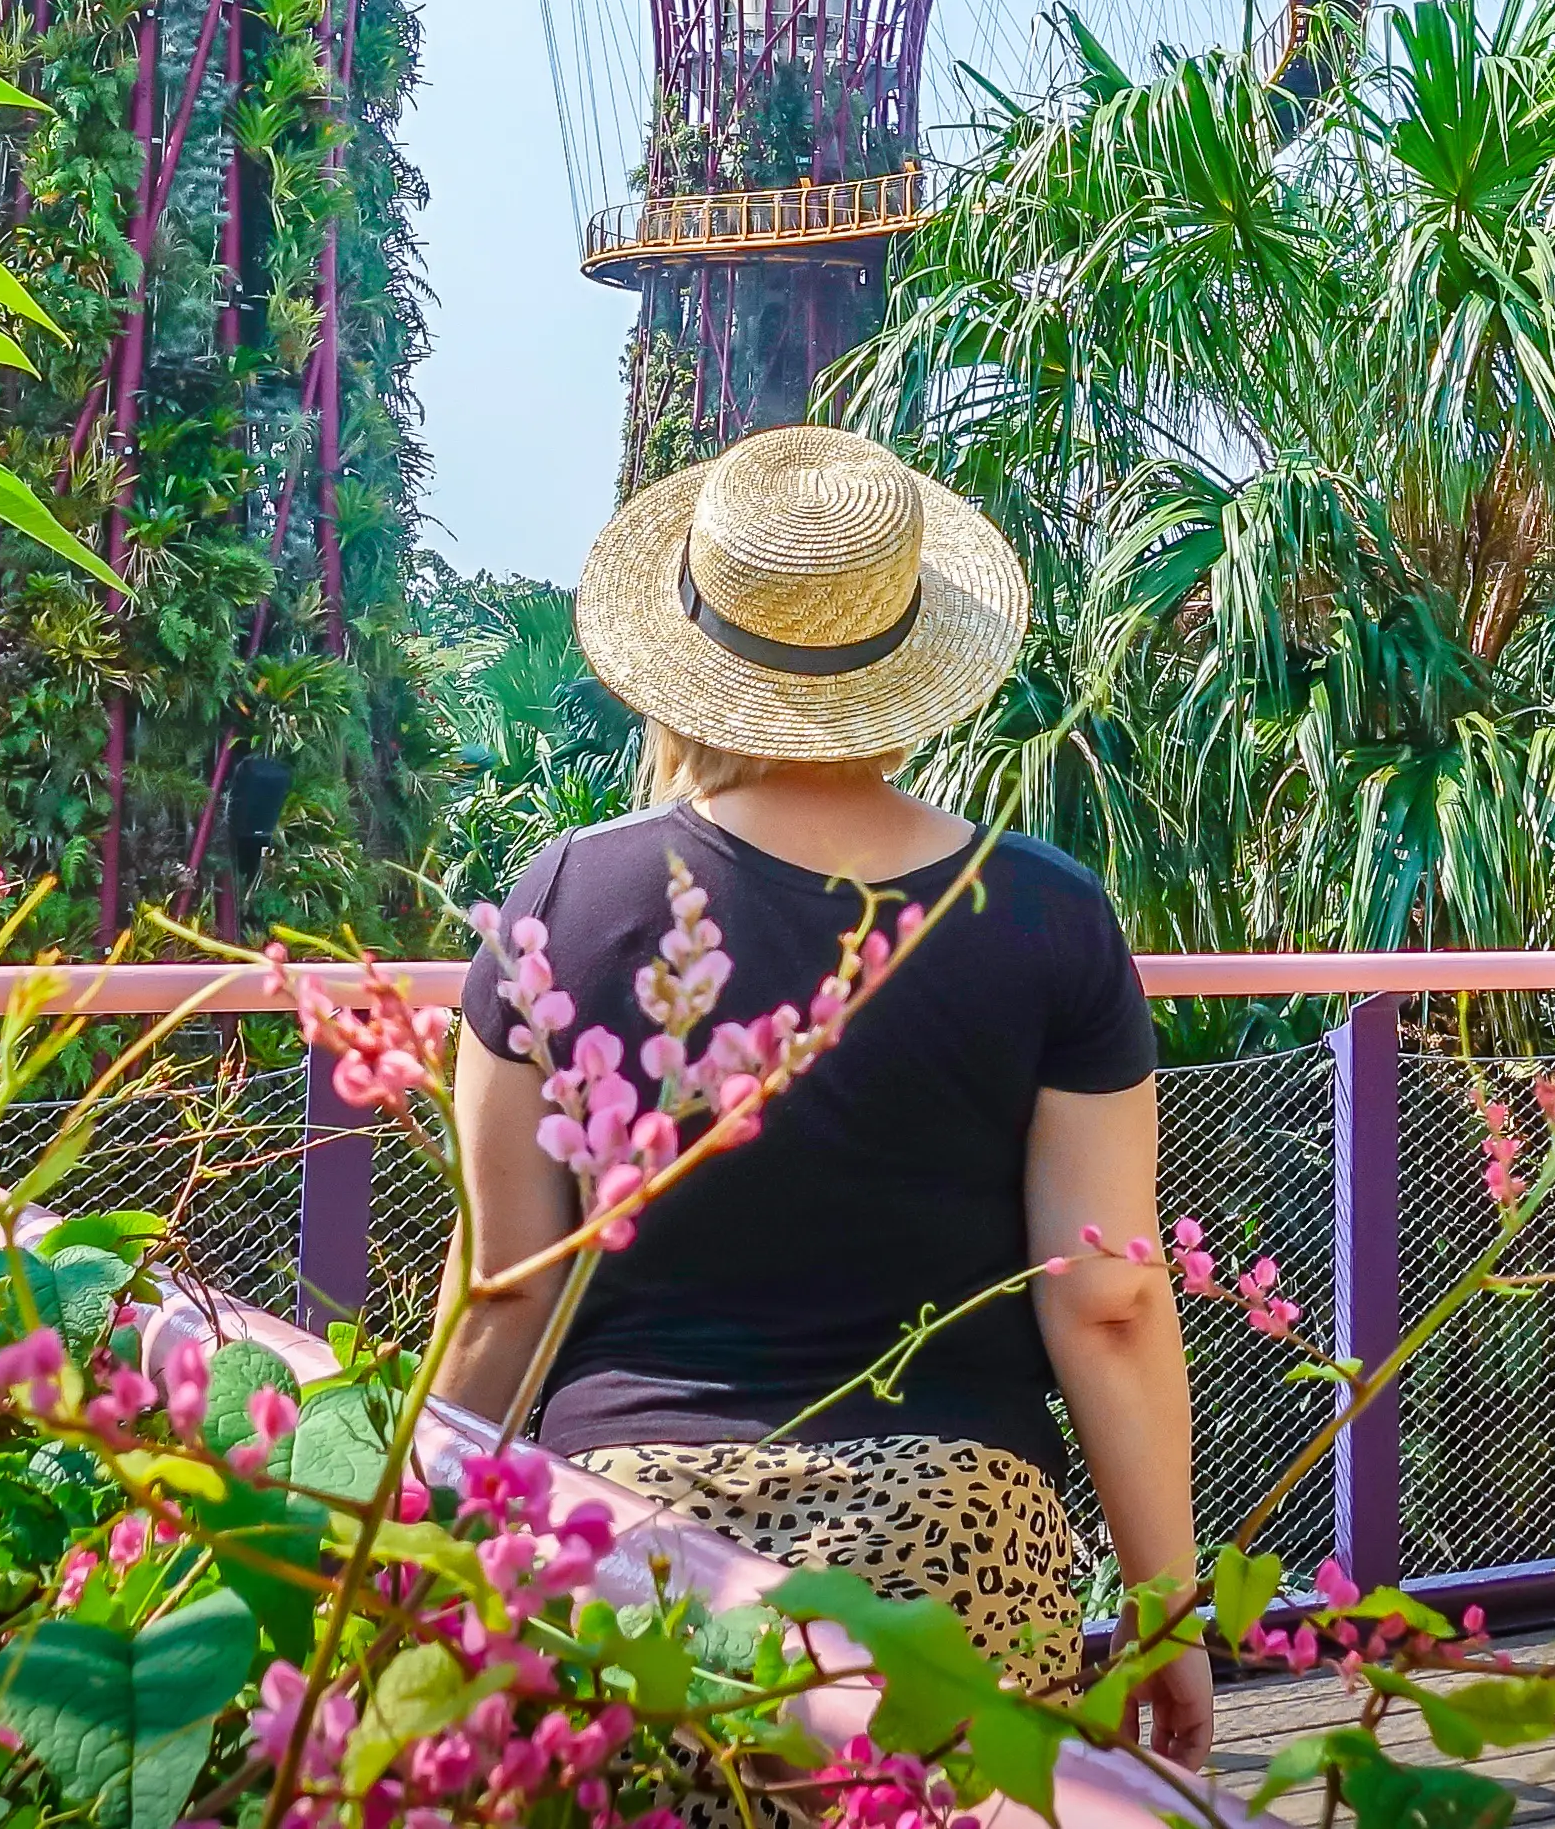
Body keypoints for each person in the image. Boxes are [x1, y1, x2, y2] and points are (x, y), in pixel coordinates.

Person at [442, 424, 1211, 1761]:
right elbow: (1107, 1296)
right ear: (911, 656)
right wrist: (1167, 1607)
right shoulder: (1047, 914)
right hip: (954, 1551)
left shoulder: (563, 898)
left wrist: (408, 1532)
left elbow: (510, 1286)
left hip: (628, 1548)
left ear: (690, 654)